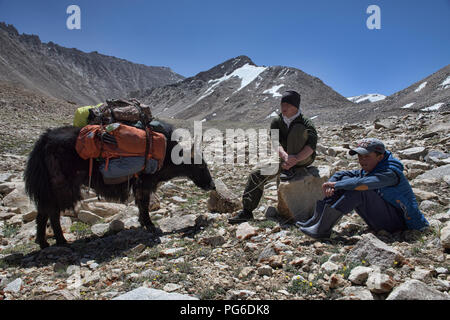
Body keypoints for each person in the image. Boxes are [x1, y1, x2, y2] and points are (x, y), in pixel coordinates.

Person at [297, 138, 429, 239]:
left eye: (367, 156)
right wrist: (331, 184)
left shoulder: (390, 173)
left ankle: (322, 229)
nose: (362, 160)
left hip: (404, 224)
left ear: (380, 157)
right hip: (387, 219)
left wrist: (336, 185)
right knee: (344, 181)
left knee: (359, 190)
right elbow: (341, 174)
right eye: (360, 156)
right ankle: (316, 221)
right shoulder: (373, 167)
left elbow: (365, 183)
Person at [228, 90, 318, 224]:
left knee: (297, 130)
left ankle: (289, 170)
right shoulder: (277, 121)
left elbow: (311, 146)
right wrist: (285, 156)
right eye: (282, 104)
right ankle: (247, 211)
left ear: (295, 107)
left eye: (287, 104)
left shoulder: (306, 122)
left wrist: (296, 158)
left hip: (303, 158)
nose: (283, 107)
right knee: (256, 174)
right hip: (284, 159)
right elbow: (275, 142)